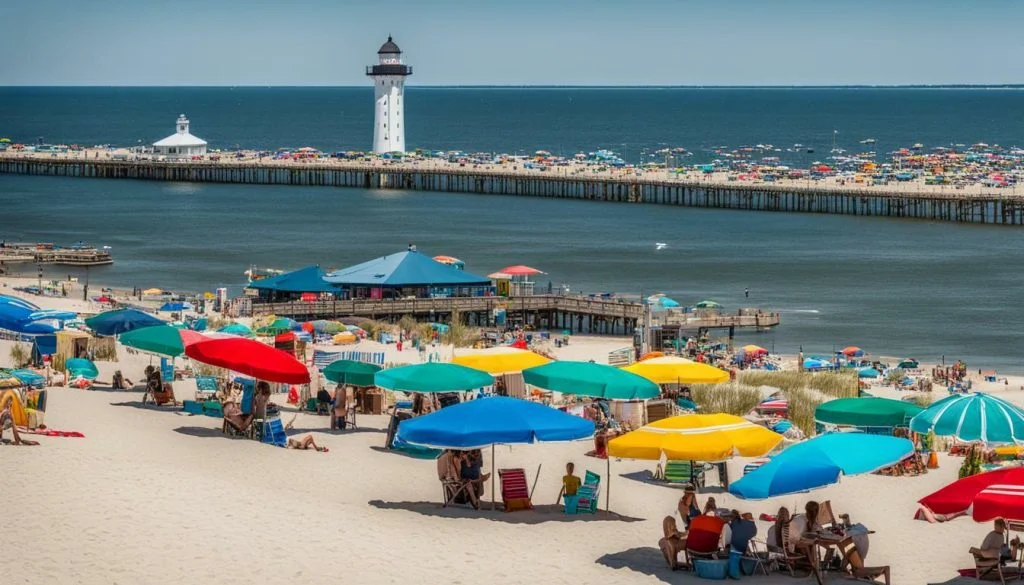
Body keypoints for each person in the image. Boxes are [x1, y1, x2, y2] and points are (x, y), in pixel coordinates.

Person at [727, 510, 758, 579]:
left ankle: (733, 573)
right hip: (743, 544)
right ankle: (737, 572)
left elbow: (730, 532)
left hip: (735, 543)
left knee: (734, 556)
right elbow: (753, 534)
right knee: (737, 555)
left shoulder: (735, 522)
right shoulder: (752, 525)